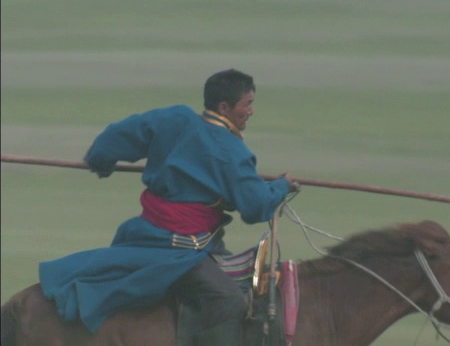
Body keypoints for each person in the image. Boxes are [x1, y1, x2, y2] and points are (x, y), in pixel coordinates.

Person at [39, 69, 298, 346]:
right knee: (230, 298)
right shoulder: (231, 152)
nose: (251, 111)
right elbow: (255, 208)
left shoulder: (175, 118)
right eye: (247, 104)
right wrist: (281, 187)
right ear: (225, 107)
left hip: (147, 231)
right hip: (184, 248)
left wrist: (102, 160)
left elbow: (117, 136)